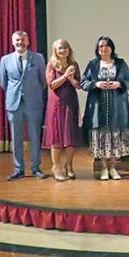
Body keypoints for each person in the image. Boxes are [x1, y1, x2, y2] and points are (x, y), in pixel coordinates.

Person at [80, 36, 129, 181]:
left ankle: (113, 168)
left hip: (117, 106)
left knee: (116, 136)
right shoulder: (93, 64)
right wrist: (96, 85)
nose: (103, 49)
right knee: (102, 138)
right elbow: (83, 82)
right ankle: (104, 168)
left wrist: (119, 84)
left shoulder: (120, 64)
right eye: (100, 46)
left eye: (105, 46)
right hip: (99, 107)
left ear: (112, 48)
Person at [0, 31, 48, 181]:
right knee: (16, 137)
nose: (20, 42)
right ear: (13, 42)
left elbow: (43, 82)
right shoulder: (5, 60)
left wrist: (31, 93)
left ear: (28, 41)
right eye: (17, 40)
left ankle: (36, 168)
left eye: (22, 40)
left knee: (34, 137)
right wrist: (16, 93)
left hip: (33, 103)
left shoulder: (38, 58)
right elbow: (3, 82)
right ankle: (18, 169)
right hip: (14, 104)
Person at [41, 38, 83, 182]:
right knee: (57, 137)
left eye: (65, 48)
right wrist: (65, 76)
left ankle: (69, 166)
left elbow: (78, 85)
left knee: (70, 138)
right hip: (56, 104)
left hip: (71, 103)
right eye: (60, 48)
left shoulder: (74, 65)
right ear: (55, 50)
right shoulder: (51, 65)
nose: (63, 50)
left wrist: (71, 78)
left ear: (69, 50)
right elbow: (52, 85)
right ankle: (56, 167)